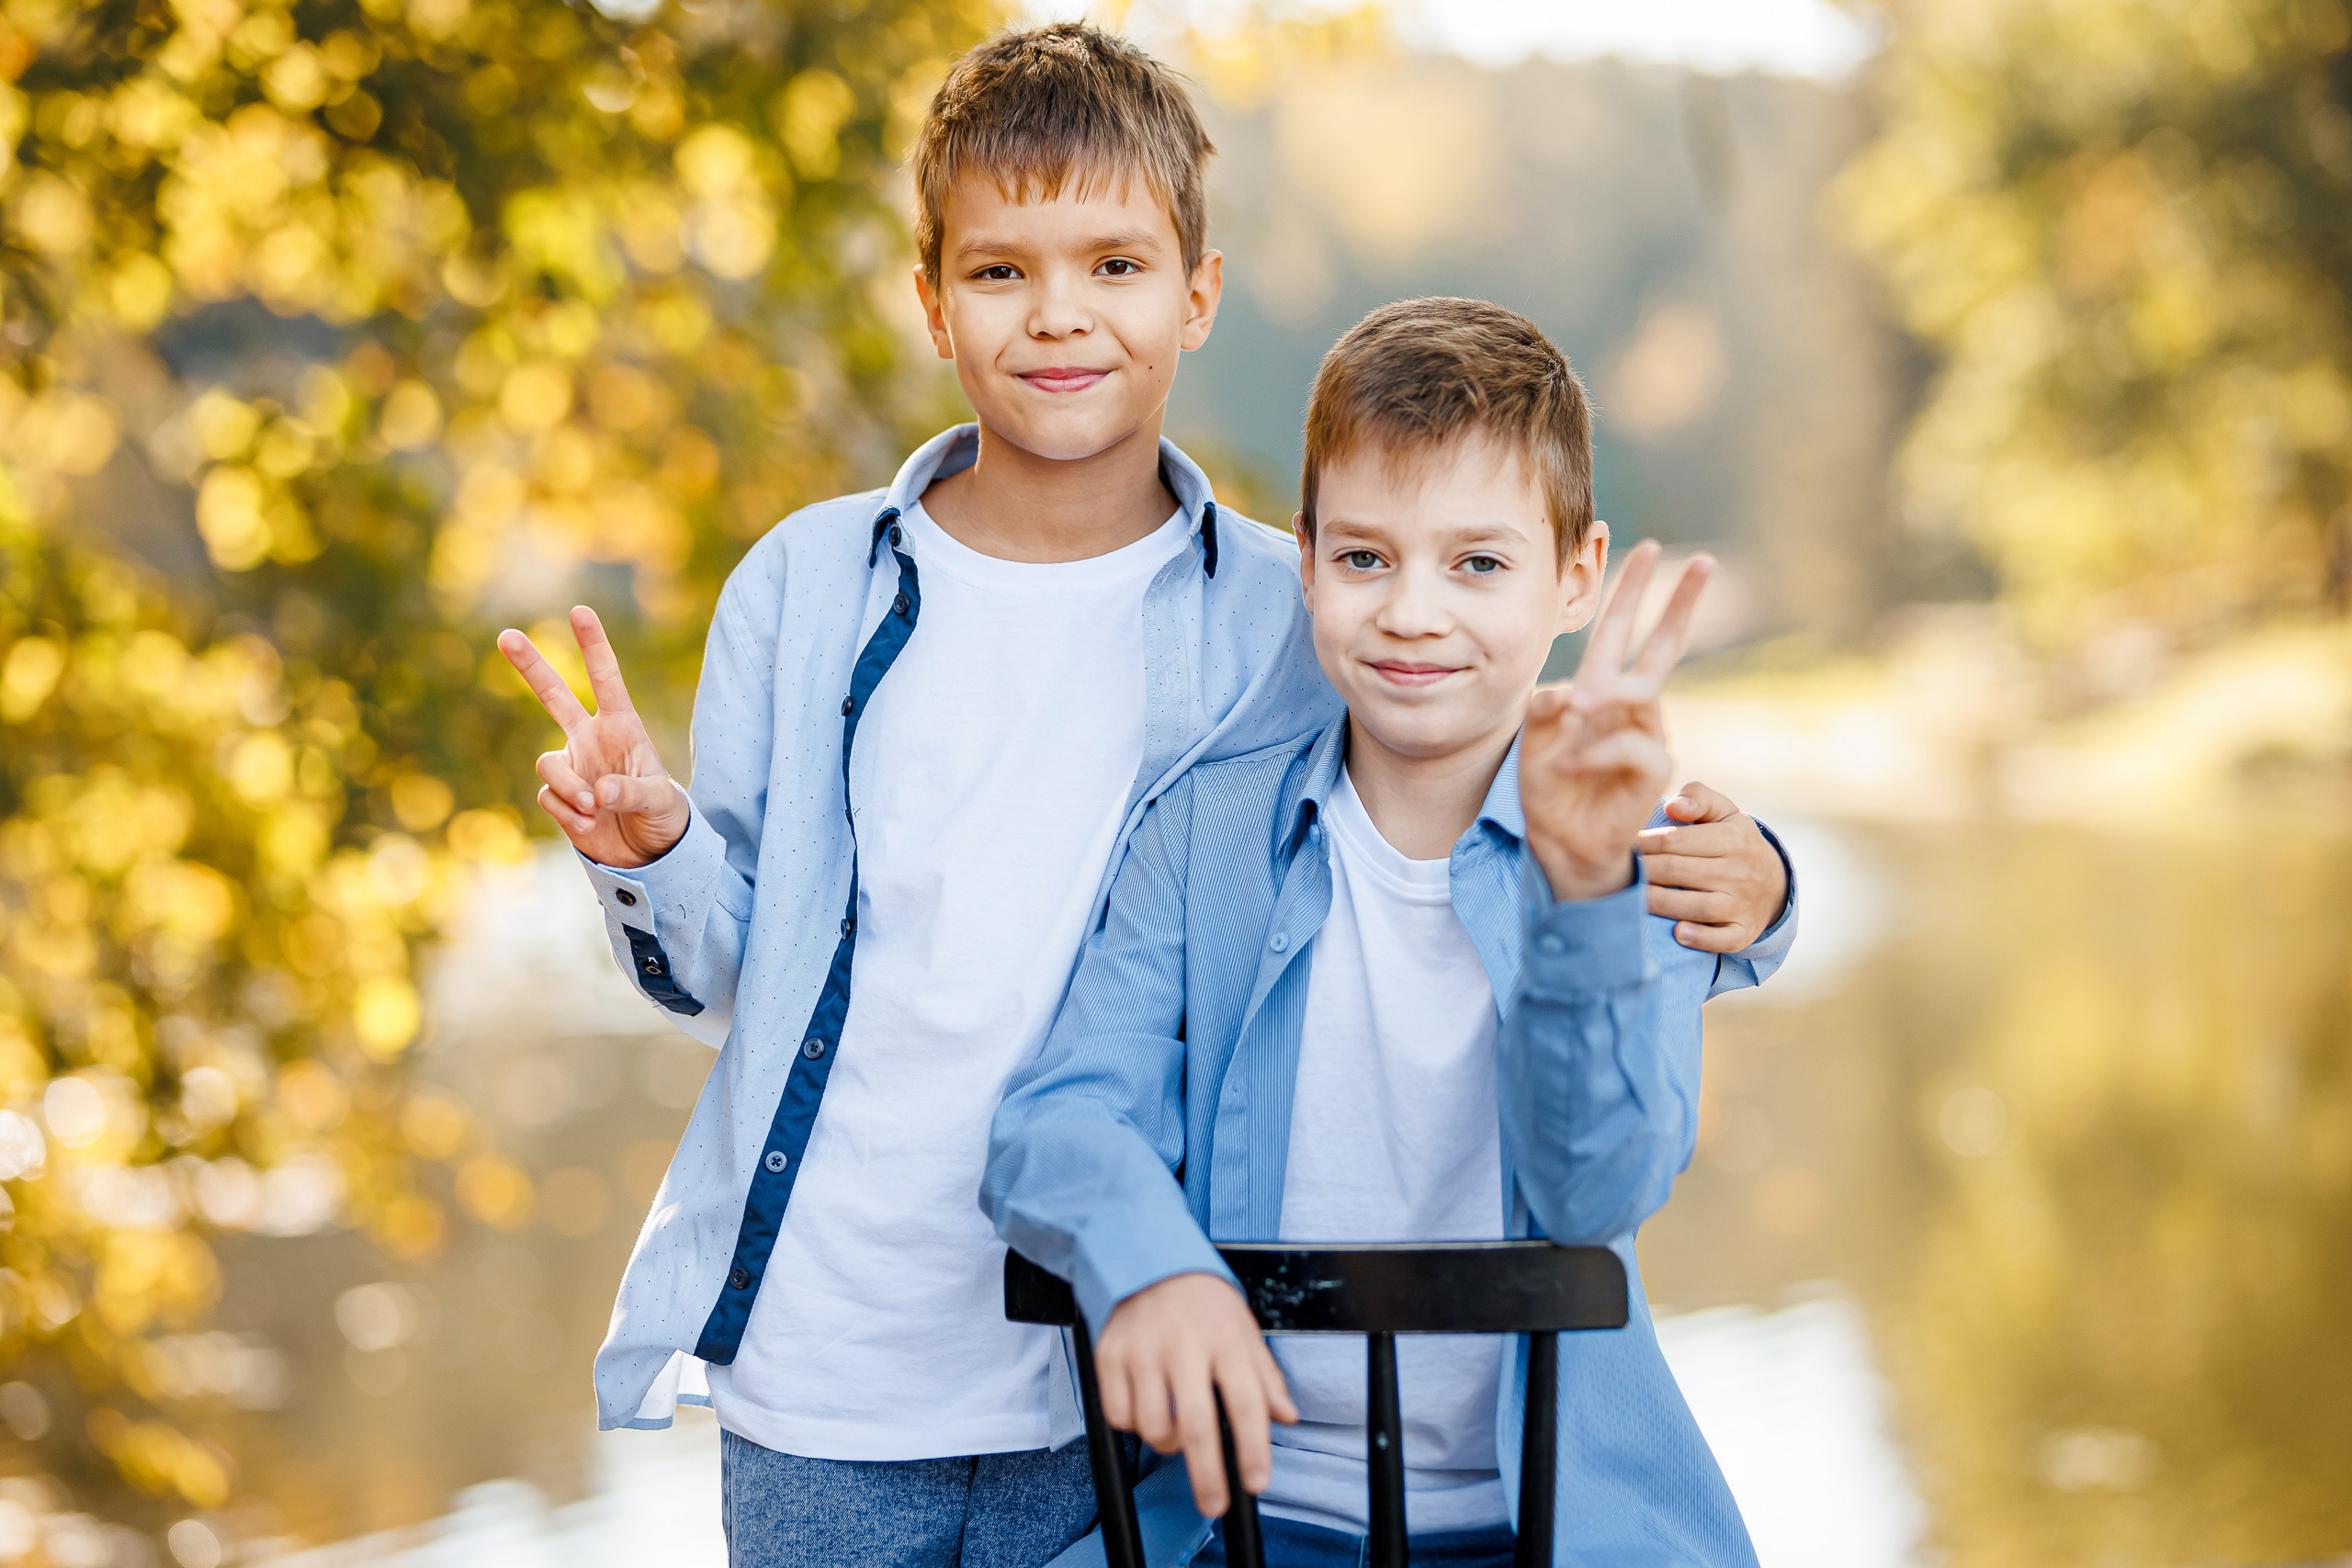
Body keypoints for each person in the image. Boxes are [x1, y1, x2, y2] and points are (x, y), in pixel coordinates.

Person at [495, 24, 1792, 1568]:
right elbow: (742, 974)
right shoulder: (814, 589)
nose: (1059, 313)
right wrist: (652, 857)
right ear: (933, 301)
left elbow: (1498, 782)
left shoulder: (1280, 607)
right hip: (847, 1353)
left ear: (1198, 294)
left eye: (1114, 264)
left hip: (1105, 1395)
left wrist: (1756, 877)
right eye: (1001, 271)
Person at [985, 298, 1770, 1568]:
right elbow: (1059, 1116)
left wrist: (1584, 891)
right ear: (1304, 561)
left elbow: (1598, 1189)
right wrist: (1149, 1264)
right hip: (1241, 1522)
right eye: (1365, 559)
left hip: (1551, 1528)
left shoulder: (1631, 861)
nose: (1413, 612)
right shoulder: (1204, 832)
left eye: (1479, 565)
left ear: (1576, 575)